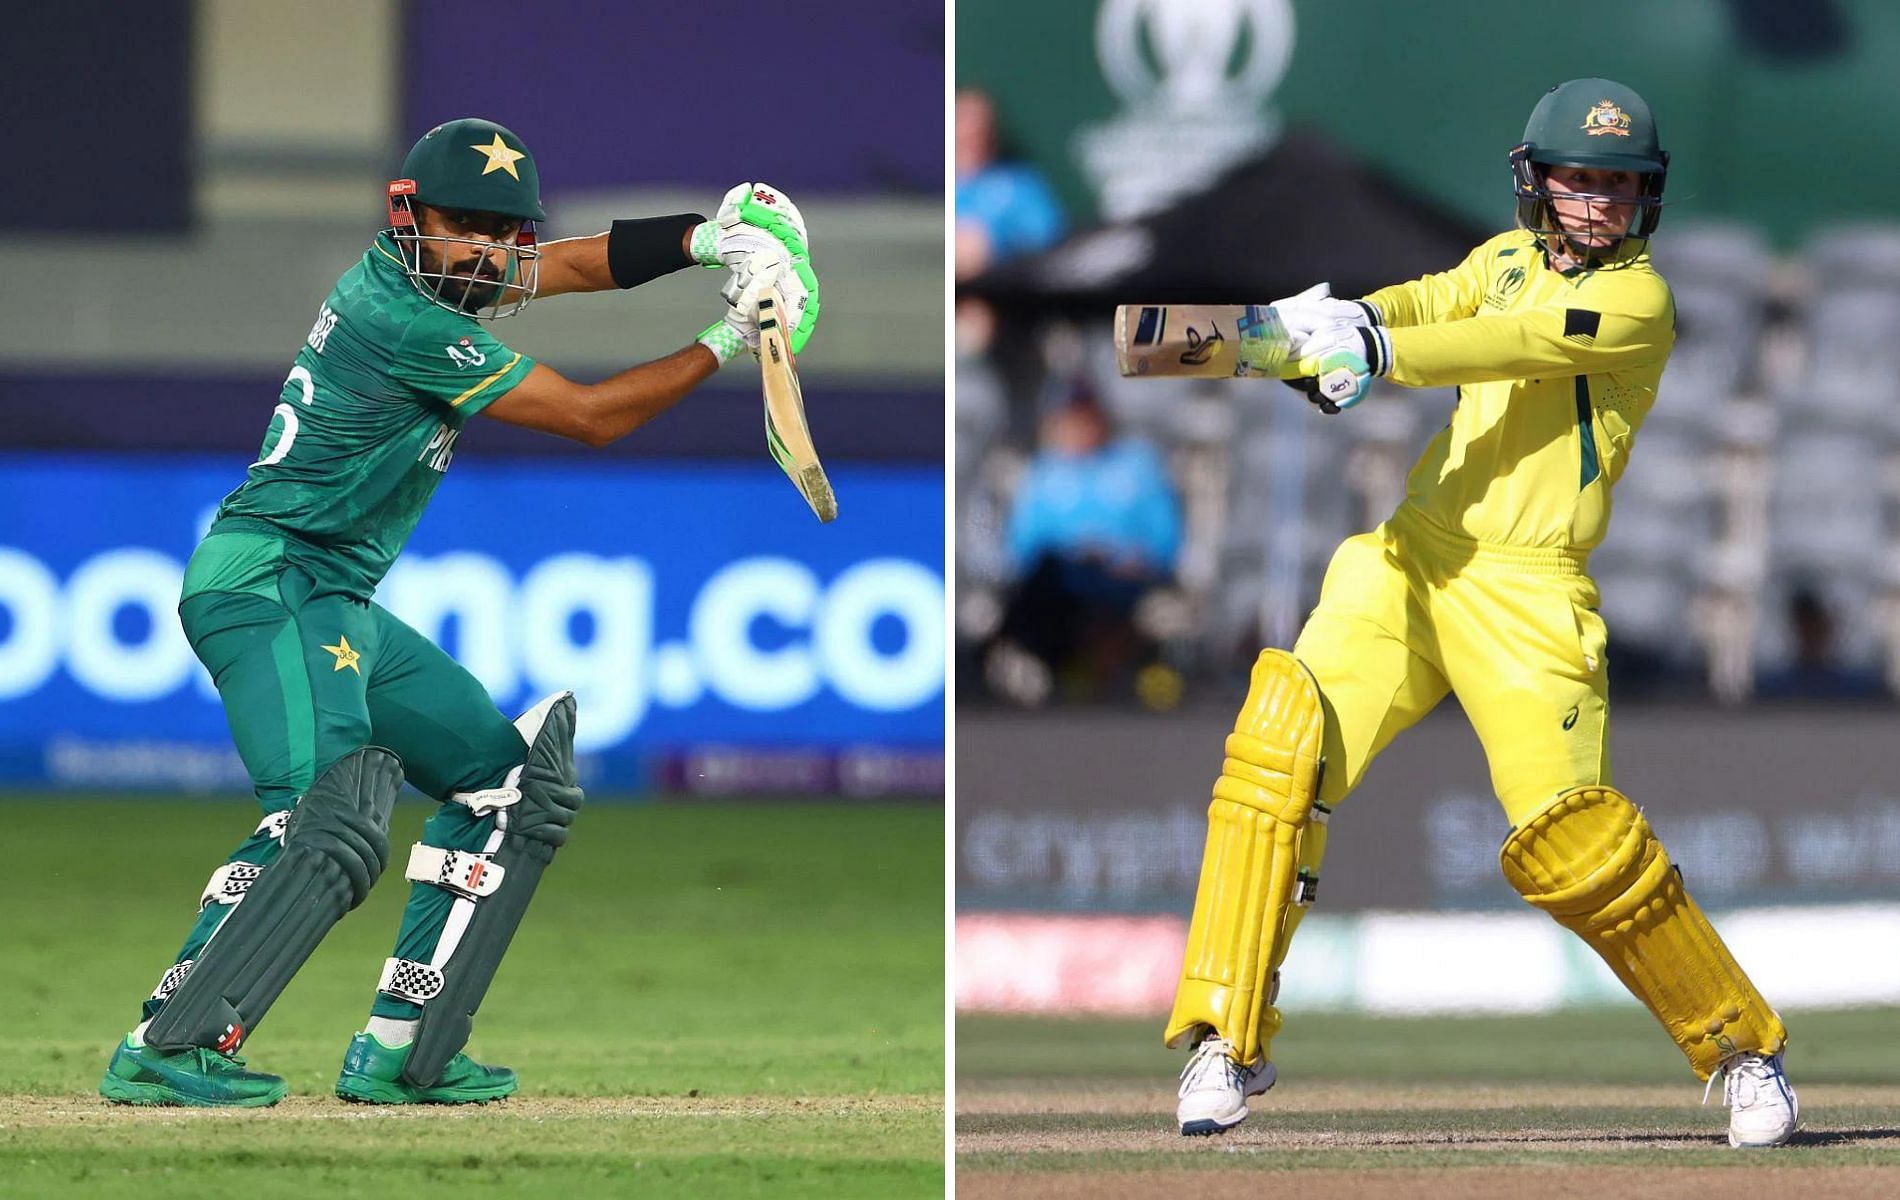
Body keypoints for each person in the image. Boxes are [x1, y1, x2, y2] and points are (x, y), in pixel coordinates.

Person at [97, 118, 819, 1107]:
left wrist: (708, 242)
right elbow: (591, 417)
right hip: (265, 582)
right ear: (410, 219)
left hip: (332, 598)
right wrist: (730, 338)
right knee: (325, 814)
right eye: (461, 225)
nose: (482, 247)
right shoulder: (407, 321)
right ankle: (168, 1042)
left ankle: (407, 1048)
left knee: (506, 785)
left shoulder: (446, 276)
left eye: (498, 229)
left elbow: (568, 262)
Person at [1165, 80, 1798, 1148]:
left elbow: (1505, 344)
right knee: (1277, 750)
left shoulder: (1638, 304)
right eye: (1579, 180)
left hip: (1529, 590)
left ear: (1645, 198)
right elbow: (1434, 303)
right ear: (1535, 180)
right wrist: (1346, 321)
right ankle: (1224, 1040)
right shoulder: (1503, 260)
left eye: (1617, 185)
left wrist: (1374, 354)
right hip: (1411, 557)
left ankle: (1743, 1054)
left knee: (1581, 850)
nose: (1596, 204)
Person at [987, 383, 1180, 703]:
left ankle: (1113, 666)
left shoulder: (1136, 465)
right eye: (1071, 421)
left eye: (1086, 420)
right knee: (1046, 584)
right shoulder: (1044, 472)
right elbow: (1021, 545)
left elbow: (1165, 535)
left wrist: (1130, 555)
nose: (1079, 430)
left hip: (1121, 575)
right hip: (1061, 579)